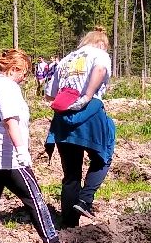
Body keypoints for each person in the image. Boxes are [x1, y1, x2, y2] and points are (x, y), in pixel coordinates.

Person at [0, 49, 67, 243]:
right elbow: (10, 120)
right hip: (8, 156)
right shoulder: (7, 87)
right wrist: (22, 151)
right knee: (34, 198)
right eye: (25, 72)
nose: (25, 77)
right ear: (14, 69)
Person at [46, 28, 115, 225]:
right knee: (103, 156)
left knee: (71, 174)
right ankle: (85, 200)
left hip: (63, 117)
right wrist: (86, 96)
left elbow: (49, 94)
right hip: (89, 113)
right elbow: (100, 70)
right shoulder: (99, 54)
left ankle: (68, 224)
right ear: (102, 43)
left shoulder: (66, 60)